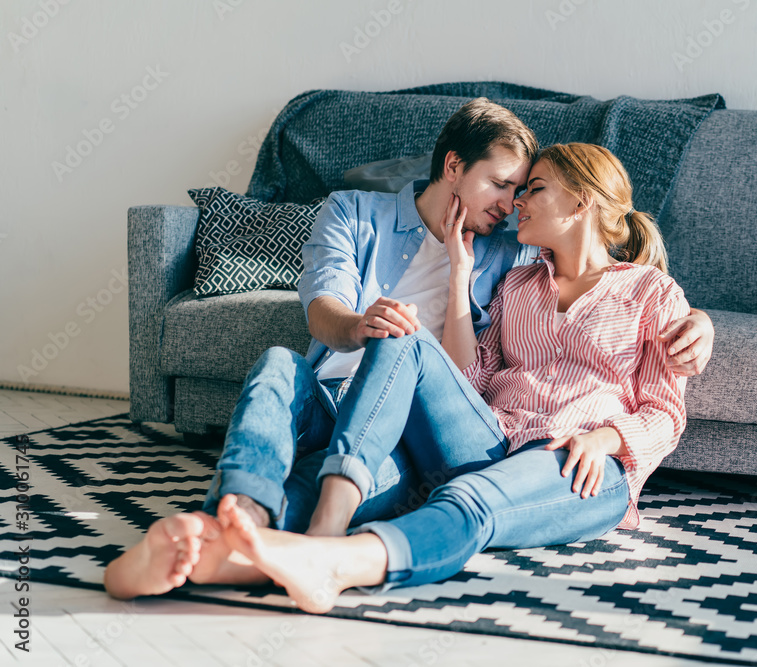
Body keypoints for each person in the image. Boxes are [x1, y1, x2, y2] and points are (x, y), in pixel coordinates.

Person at [104, 100, 713, 600]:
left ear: (578, 202)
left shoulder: (564, 268)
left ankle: (251, 551)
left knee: (450, 485)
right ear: (454, 167)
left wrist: (697, 329)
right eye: (504, 187)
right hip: (406, 415)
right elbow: (438, 361)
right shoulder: (481, 265)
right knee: (285, 363)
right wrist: (405, 304)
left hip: (520, 448)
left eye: (526, 190)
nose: (514, 204)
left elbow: (659, 394)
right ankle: (234, 527)